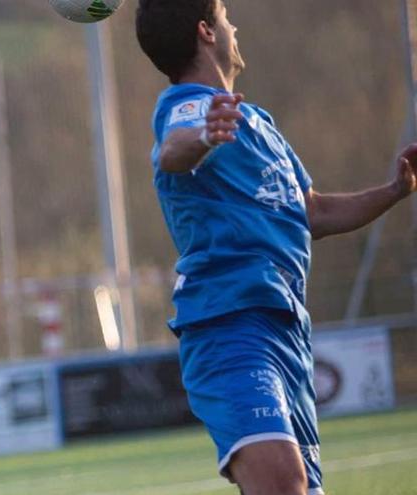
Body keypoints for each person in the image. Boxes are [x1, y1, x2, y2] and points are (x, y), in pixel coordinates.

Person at [135, 2, 417, 494]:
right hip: (228, 324)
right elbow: (172, 151)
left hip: (286, 331)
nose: (233, 26)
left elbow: (315, 213)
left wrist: (394, 192)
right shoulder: (187, 104)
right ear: (206, 31)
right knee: (283, 483)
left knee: (302, 489)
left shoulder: (259, 124)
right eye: (225, 15)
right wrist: (204, 135)